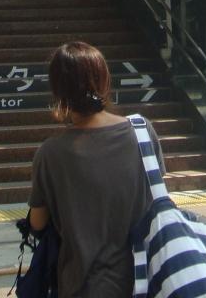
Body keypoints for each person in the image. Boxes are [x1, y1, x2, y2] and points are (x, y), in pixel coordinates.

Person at [28, 41, 164, 298]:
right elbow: (156, 199)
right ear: (104, 81)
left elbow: (38, 222)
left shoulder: (51, 153)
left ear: (58, 90)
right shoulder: (142, 132)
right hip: (144, 282)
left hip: (81, 286)